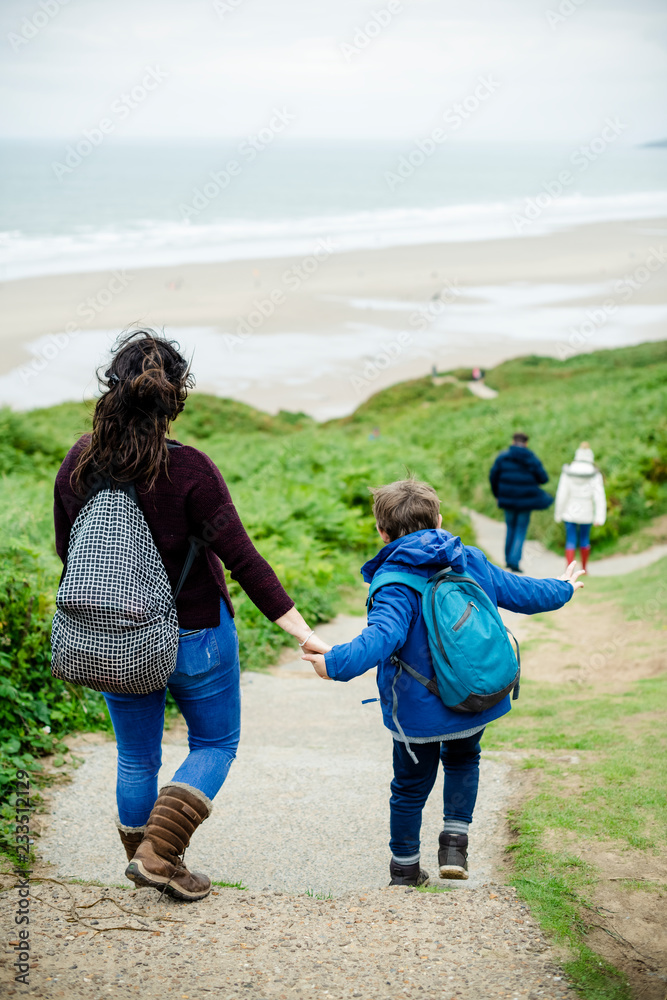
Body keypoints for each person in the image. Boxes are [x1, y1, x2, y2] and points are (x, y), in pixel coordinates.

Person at [53, 331, 328, 902]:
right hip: (196, 634)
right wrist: (304, 633)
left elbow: (69, 550)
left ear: (112, 387)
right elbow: (244, 560)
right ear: (175, 397)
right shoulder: (192, 469)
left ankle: (148, 861)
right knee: (214, 744)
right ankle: (159, 856)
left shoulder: (79, 462)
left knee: (136, 755)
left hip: (115, 633)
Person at [302, 479, 583, 886]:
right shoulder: (468, 559)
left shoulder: (394, 581)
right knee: (465, 759)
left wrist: (335, 663)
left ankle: (405, 869)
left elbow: (380, 638)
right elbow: (521, 592)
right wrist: (564, 588)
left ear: (382, 532)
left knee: (410, 786)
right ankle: (455, 845)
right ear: (438, 518)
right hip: (474, 696)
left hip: (417, 713)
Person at [489, 432, 553, 572]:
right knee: (520, 530)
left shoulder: (503, 457)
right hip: (526, 501)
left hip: (507, 500)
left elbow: (493, 476)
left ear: (513, 442)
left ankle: (508, 560)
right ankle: (514, 561)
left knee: (510, 528)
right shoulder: (531, 458)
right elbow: (543, 478)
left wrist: (497, 494)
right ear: (526, 443)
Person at [554, 442, 606, 571]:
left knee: (570, 539)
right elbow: (599, 496)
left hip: (570, 510)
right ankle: (584, 569)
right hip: (587, 510)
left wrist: (558, 514)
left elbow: (562, 494)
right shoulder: (594, 473)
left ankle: (569, 569)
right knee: (584, 539)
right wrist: (600, 516)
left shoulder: (568, 471)